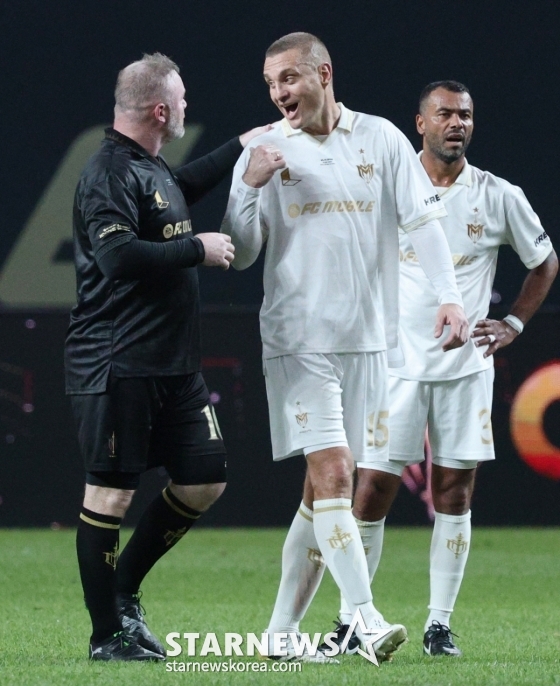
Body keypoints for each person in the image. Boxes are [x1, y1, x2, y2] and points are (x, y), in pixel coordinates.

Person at [221, 33, 470, 663]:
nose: (278, 93)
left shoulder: (381, 138)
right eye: (270, 83)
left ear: (323, 73)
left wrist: (449, 297)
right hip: (298, 339)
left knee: (321, 494)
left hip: (366, 341)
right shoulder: (263, 149)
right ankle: (365, 616)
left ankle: (280, 636)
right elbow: (241, 253)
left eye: (288, 78)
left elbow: (422, 221)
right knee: (334, 474)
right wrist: (248, 185)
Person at [329, 80, 557, 657]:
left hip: (466, 370)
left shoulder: (498, 195)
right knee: (371, 491)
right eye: (446, 114)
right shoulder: (387, 187)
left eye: (466, 115)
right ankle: (352, 620)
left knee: (453, 494)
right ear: (421, 123)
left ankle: (439, 625)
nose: (457, 123)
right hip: (393, 367)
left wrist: (513, 323)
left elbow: (545, 262)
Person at [65, 52, 268, 661]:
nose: (186, 106)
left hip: (173, 366)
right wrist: (197, 249)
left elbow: (181, 189)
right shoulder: (107, 172)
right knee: (109, 497)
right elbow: (117, 258)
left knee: (204, 479)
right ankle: (107, 636)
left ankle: (123, 590)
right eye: (180, 99)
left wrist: (240, 146)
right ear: (160, 110)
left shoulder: (149, 167)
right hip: (117, 361)